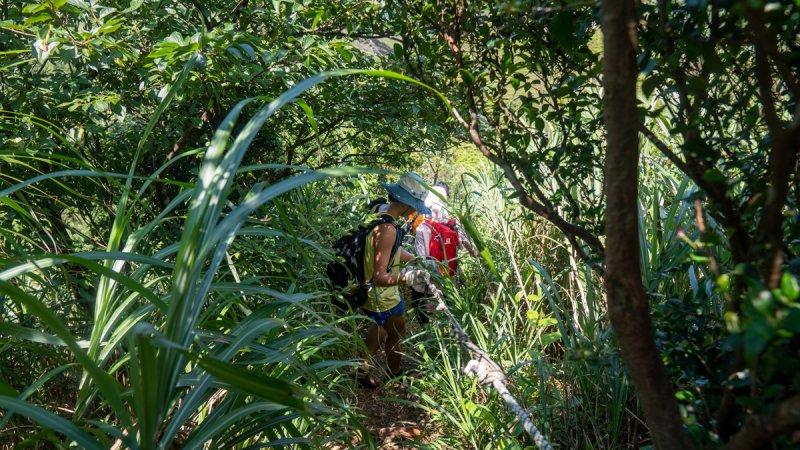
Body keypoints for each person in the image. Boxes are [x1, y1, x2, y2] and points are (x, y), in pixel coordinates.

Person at [358, 173, 432, 388]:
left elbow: (388, 251)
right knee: (397, 331)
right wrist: (409, 277)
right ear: (408, 204)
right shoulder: (389, 229)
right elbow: (380, 277)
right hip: (382, 295)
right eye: (415, 206)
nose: (415, 211)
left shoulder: (378, 214)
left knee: (381, 328)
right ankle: (395, 373)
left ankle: (363, 370)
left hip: (369, 290)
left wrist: (417, 259)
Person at [410, 182, 477, 323]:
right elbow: (473, 251)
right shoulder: (454, 224)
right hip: (450, 281)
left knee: (427, 319)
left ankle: (427, 330)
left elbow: (421, 259)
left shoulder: (423, 227)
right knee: (450, 316)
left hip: (428, 284)